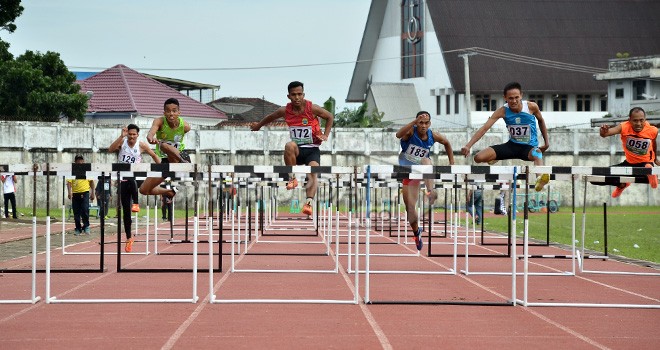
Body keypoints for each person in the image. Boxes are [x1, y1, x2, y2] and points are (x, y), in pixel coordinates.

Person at [250, 81, 334, 216]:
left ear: (303, 94)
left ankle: (308, 203)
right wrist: (259, 126)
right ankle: (292, 178)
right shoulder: (285, 110)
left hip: (312, 150)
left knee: (313, 170)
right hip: (297, 150)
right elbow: (270, 117)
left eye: (300, 94)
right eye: (294, 95)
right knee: (289, 145)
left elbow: (329, 116)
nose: (297, 98)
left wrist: (325, 134)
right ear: (288, 96)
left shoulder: (312, 108)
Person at [460, 82, 550, 192]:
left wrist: (546, 142)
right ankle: (494, 158)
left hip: (528, 148)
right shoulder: (502, 111)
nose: (514, 101)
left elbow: (541, 121)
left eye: (516, 97)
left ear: (521, 95)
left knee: (537, 152)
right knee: (478, 158)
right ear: (505, 98)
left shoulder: (531, 107)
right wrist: (468, 146)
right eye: (510, 98)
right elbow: (484, 128)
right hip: (512, 146)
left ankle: (539, 180)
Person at [396, 111, 455, 251]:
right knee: (410, 208)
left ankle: (430, 191)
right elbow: (398, 135)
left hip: (423, 168)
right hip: (407, 169)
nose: (423, 125)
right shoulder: (411, 132)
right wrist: (413, 122)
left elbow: (447, 143)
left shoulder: (433, 135)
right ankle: (416, 232)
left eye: (426, 123)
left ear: (429, 124)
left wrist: (452, 162)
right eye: (420, 123)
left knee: (426, 160)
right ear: (417, 123)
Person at [109, 124, 160, 252]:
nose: (131, 137)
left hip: (137, 177)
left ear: (137, 135)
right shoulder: (122, 143)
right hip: (123, 179)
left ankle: (136, 203)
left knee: (132, 176)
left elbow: (153, 155)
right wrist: (121, 136)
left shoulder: (141, 145)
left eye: (134, 134)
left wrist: (164, 168)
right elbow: (110, 149)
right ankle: (129, 237)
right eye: (129, 134)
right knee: (125, 211)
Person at [598, 107, 658, 198]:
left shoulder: (653, 130)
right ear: (629, 120)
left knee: (647, 167)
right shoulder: (624, 127)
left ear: (645, 119)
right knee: (596, 177)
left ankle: (649, 172)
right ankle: (622, 185)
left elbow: (653, 143)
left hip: (645, 163)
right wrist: (603, 132)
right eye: (635, 121)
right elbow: (606, 134)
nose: (638, 124)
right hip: (629, 164)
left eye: (641, 120)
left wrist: (656, 159)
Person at [139, 98, 190, 203]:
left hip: (179, 157)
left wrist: (180, 158)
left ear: (179, 113)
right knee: (143, 190)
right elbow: (151, 132)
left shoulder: (185, 126)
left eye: (174, 111)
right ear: (164, 112)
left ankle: (184, 163)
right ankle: (169, 192)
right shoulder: (159, 121)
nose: (171, 114)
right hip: (165, 161)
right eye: (168, 111)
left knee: (163, 145)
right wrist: (150, 138)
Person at [67, 155, 95, 235]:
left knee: (85, 210)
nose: (79, 162)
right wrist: (69, 192)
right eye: (78, 160)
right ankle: (78, 228)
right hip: (75, 194)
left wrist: (92, 193)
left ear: (83, 161)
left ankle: (86, 226)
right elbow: (69, 182)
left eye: (81, 160)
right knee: (76, 212)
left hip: (85, 193)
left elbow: (91, 182)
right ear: (75, 162)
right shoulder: (72, 171)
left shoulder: (87, 171)